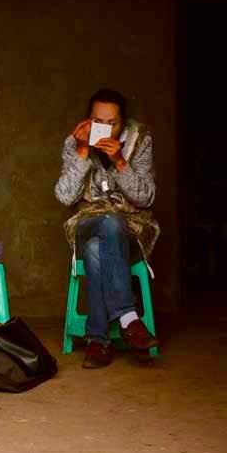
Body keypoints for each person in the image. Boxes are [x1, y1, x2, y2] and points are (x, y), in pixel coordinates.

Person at [55, 87, 160, 368]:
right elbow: (65, 196)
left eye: (111, 123)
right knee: (104, 225)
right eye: (97, 121)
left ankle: (98, 341)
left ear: (123, 124)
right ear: (88, 120)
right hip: (85, 222)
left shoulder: (140, 141)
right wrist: (81, 153)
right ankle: (128, 319)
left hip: (131, 226)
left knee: (97, 246)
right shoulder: (75, 142)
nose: (103, 129)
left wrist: (120, 162)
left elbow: (146, 197)